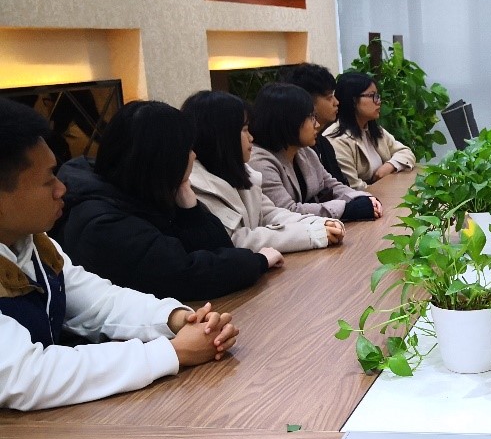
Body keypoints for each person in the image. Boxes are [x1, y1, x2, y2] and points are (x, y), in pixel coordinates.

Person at [0, 99, 239, 411]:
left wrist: (176, 319)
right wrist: (172, 352)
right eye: (47, 181)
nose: (61, 189)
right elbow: (25, 375)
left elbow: (98, 302)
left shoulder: (33, 242)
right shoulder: (98, 221)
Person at [55, 100, 281, 301]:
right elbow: (186, 275)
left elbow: (220, 249)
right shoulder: (102, 221)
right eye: (187, 149)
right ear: (164, 158)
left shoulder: (142, 191)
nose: (194, 156)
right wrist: (258, 261)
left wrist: (190, 206)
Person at [183, 90, 346, 253]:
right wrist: (311, 234)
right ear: (223, 135)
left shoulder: (241, 170)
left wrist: (317, 223)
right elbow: (236, 239)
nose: (251, 137)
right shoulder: (196, 185)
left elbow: (270, 214)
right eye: (244, 129)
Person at [248, 83, 381, 222]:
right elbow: (287, 211)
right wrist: (346, 209)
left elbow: (331, 184)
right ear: (290, 120)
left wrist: (364, 198)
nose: (317, 124)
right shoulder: (260, 162)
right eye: (311, 117)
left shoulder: (304, 151)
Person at [322, 71, 416, 186]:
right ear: (353, 100)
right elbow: (353, 187)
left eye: (378, 96)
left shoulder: (372, 128)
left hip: (384, 191)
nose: (378, 101)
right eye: (372, 96)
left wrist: (389, 166)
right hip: (369, 196)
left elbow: (406, 152)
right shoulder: (337, 139)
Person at [282, 62, 350, 185]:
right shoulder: (292, 150)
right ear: (306, 101)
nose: (336, 102)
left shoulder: (323, 144)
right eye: (329, 97)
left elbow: (338, 185)